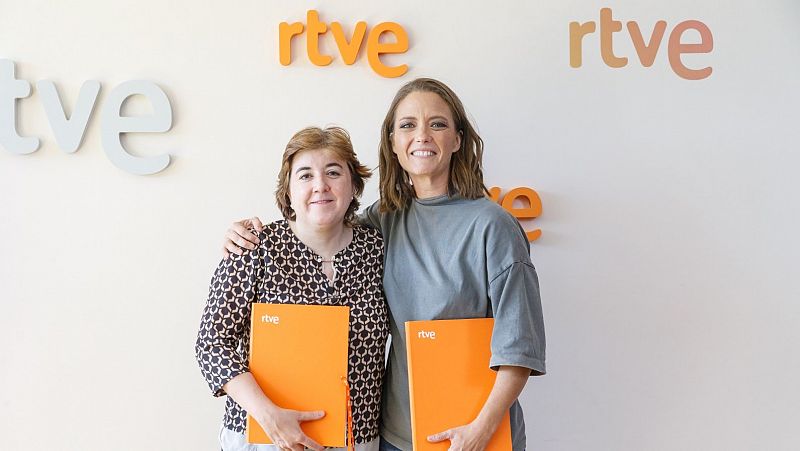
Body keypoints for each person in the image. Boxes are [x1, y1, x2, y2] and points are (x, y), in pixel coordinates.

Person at [223, 78, 546, 451]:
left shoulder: (494, 226)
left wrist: (478, 432)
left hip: (475, 434)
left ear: (457, 140)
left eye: (437, 124)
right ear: (393, 142)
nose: (422, 135)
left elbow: (519, 346)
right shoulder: (384, 219)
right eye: (408, 125)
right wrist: (245, 234)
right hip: (393, 436)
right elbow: (323, 226)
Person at [197, 126, 389, 451]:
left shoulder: (377, 250)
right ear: (287, 190)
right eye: (305, 175)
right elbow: (212, 344)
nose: (320, 185)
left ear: (354, 185)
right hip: (265, 437)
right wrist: (268, 416)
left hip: (356, 437)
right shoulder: (253, 247)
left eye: (333, 172)